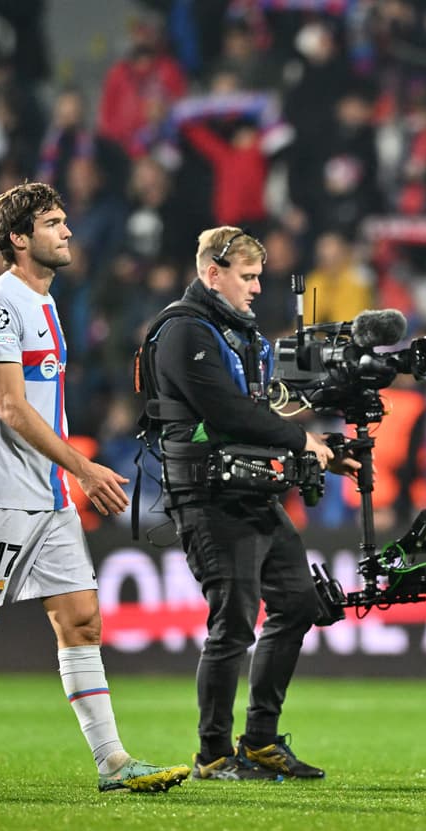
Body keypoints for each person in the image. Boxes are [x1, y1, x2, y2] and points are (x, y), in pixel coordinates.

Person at [0, 181, 189, 793]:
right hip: (1, 493)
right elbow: (11, 409)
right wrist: (83, 466)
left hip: (49, 496)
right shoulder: (0, 303)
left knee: (81, 620)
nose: (68, 232)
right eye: (53, 223)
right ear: (19, 239)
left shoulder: (44, 301)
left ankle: (112, 763)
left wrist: (66, 478)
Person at [141, 226, 357, 782]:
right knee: (233, 624)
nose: (258, 288)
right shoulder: (183, 331)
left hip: (252, 491)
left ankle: (260, 739)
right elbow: (230, 412)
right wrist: (302, 440)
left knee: (299, 604)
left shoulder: (238, 334)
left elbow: (262, 409)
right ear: (212, 274)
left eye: (260, 276)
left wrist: (321, 444)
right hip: (209, 495)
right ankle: (212, 754)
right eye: (248, 276)